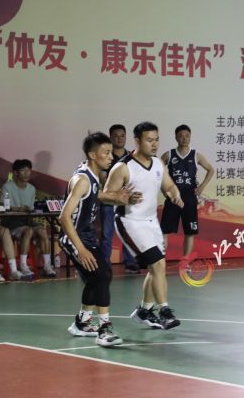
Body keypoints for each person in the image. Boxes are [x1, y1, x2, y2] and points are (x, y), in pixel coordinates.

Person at [59, 132, 138, 346]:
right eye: (106, 153)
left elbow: (96, 195)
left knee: (97, 277)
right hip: (75, 239)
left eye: (111, 152)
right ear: (93, 155)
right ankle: (104, 329)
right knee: (103, 274)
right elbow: (64, 217)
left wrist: (117, 198)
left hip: (86, 237)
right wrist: (81, 249)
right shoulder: (82, 180)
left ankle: (83, 322)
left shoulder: (91, 176)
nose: (111, 157)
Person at [104, 121, 184, 330]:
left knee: (157, 266)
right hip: (129, 222)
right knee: (157, 264)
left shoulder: (158, 164)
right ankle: (164, 310)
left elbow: (168, 185)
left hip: (151, 221)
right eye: (149, 140)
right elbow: (104, 196)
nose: (154, 144)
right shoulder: (123, 167)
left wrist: (174, 194)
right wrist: (123, 198)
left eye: (157, 140)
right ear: (137, 141)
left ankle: (144, 310)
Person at [160, 124, 214, 258]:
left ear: (190, 137)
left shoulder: (196, 155)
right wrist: (164, 190)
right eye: (181, 136)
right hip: (173, 198)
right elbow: (157, 172)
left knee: (190, 232)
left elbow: (211, 169)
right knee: (164, 231)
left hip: (190, 198)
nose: (184, 138)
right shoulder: (168, 155)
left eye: (187, 136)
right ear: (176, 137)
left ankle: (185, 262)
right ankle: (160, 261)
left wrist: (202, 187)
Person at [0, 159, 56, 278]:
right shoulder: (7, 187)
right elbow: (3, 207)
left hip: (27, 220)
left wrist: (32, 209)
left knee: (42, 231)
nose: (27, 173)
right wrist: (18, 209)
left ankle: (47, 266)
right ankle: (23, 265)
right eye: (23, 170)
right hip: (11, 223)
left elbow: (31, 207)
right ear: (15, 173)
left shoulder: (31, 188)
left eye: (29, 170)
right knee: (28, 230)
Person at [99, 124, 139, 273]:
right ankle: (105, 265)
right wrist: (116, 192)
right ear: (110, 137)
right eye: (116, 136)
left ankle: (130, 263)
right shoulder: (106, 156)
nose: (119, 139)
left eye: (122, 136)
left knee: (128, 233)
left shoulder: (132, 156)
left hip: (127, 201)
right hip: (109, 200)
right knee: (106, 234)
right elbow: (102, 177)